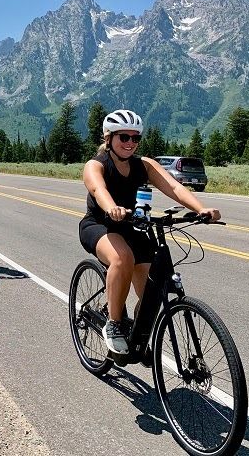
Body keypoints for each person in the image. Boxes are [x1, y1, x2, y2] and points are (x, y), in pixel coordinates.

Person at [79, 109, 221, 355]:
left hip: (132, 227)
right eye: (124, 137)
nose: (130, 143)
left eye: (136, 138)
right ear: (108, 138)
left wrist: (201, 209)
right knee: (122, 258)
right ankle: (113, 325)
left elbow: (175, 187)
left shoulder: (144, 165)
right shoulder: (96, 165)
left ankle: (137, 335)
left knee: (152, 291)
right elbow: (98, 190)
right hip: (100, 224)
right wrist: (112, 208)